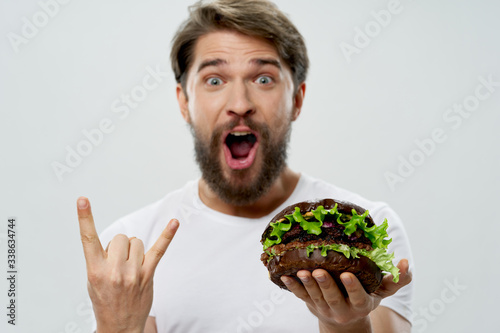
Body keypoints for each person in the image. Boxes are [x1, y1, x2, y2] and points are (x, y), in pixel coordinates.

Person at [77, 0, 413, 332]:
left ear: (296, 99)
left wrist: (345, 323)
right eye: (214, 80)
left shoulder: (373, 231)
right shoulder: (134, 247)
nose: (240, 104)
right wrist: (117, 328)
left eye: (263, 79)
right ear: (184, 102)